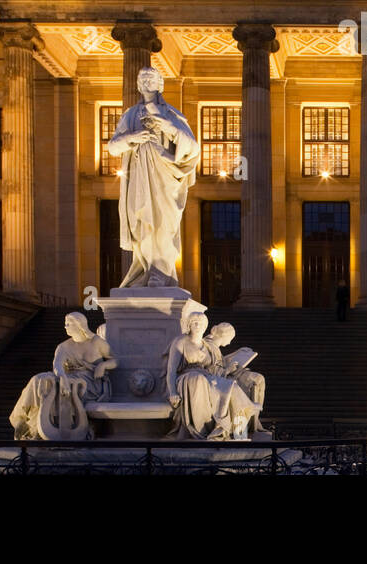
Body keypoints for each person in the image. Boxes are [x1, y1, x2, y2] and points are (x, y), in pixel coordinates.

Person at [106, 67, 200, 288]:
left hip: (166, 175)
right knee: (142, 222)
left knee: (163, 224)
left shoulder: (171, 114)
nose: (147, 82)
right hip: (140, 176)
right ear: (138, 85)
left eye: (152, 79)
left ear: (160, 84)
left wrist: (166, 126)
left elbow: (192, 147)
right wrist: (132, 137)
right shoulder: (130, 115)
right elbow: (112, 147)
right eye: (143, 79)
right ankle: (147, 272)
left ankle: (161, 272)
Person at [9, 312, 115, 440]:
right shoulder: (63, 347)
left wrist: (102, 366)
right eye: (65, 323)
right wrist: (62, 376)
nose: (65, 326)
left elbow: (115, 360)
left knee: (62, 387)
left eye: (68, 323)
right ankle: (23, 418)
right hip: (68, 378)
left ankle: (58, 428)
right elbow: (57, 365)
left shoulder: (97, 342)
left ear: (79, 324)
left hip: (91, 383)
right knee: (39, 379)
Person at [165, 311, 259, 440]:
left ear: (205, 327)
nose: (198, 326)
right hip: (188, 376)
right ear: (189, 325)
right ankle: (203, 430)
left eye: (201, 324)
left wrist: (228, 370)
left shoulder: (207, 346)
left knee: (232, 386)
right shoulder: (181, 341)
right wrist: (172, 392)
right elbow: (171, 370)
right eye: (195, 323)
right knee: (198, 381)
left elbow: (214, 370)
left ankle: (240, 434)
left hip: (207, 377)